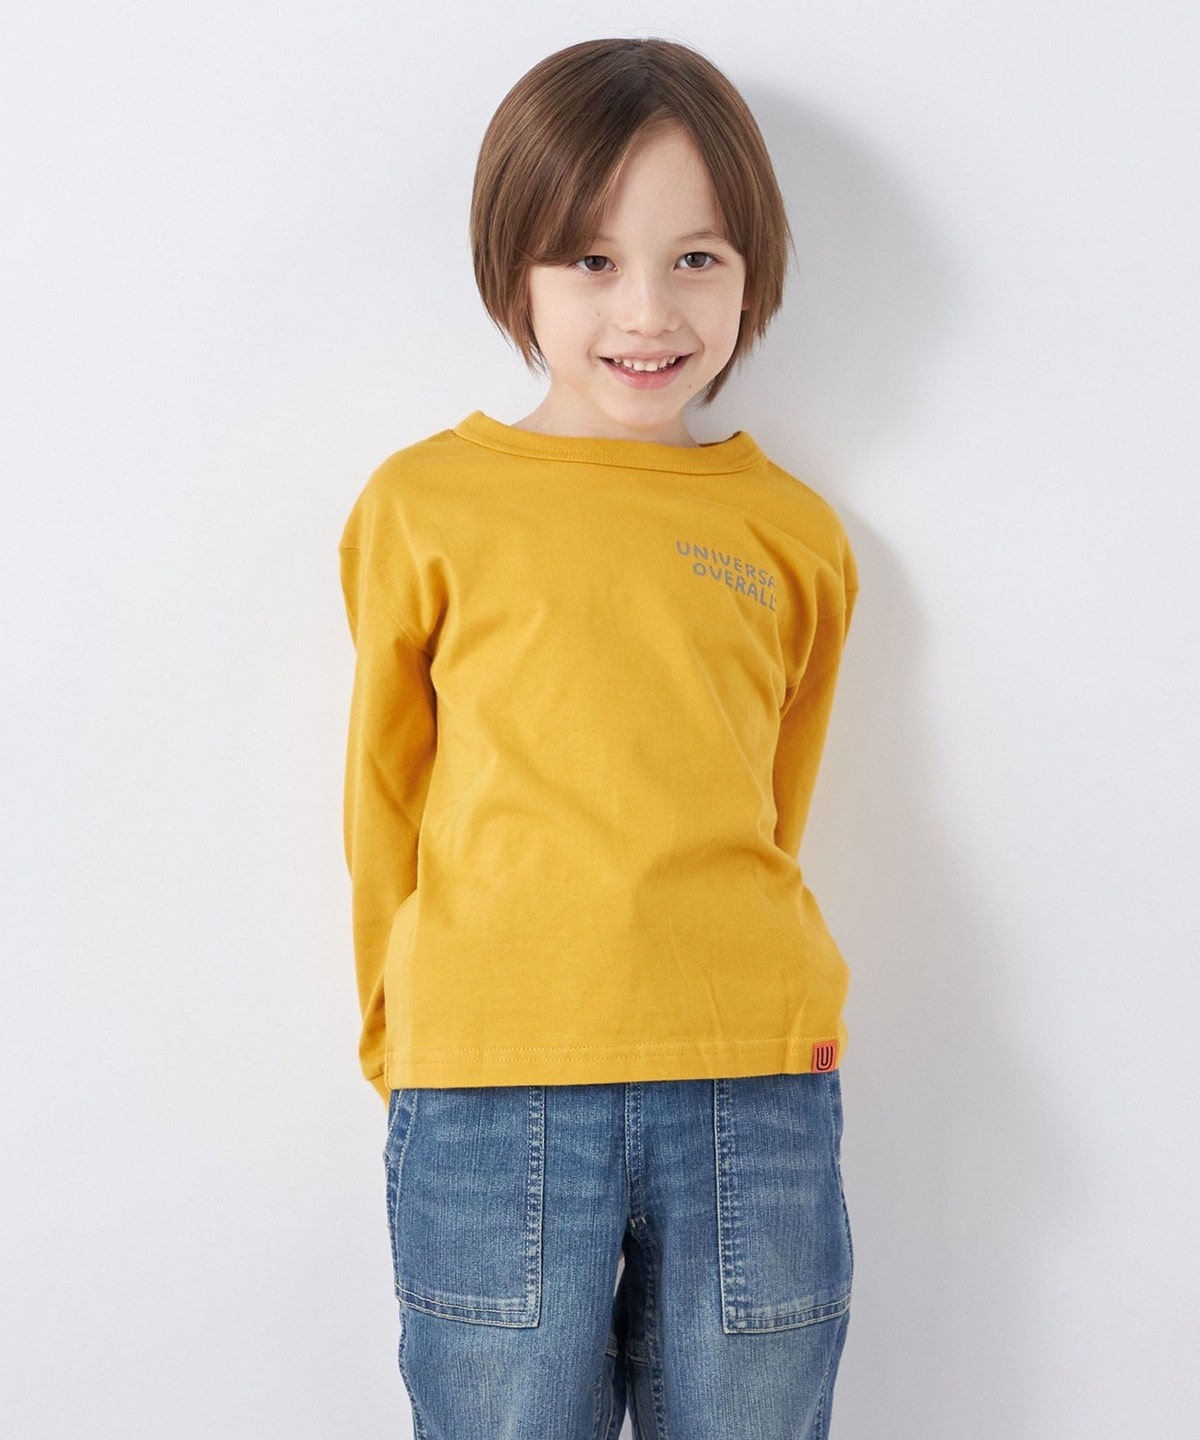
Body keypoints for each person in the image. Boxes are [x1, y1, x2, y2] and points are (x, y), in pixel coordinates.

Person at [339, 37, 858, 1440]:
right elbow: (386, 791)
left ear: (752, 271)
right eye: (590, 260)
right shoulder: (425, 506)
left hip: (755, 1085)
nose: (647, 309)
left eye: (696, 259)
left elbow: (772, 796)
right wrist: (403, 1035)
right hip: (489, 1082)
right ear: (514, 271)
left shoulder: (792, 532)